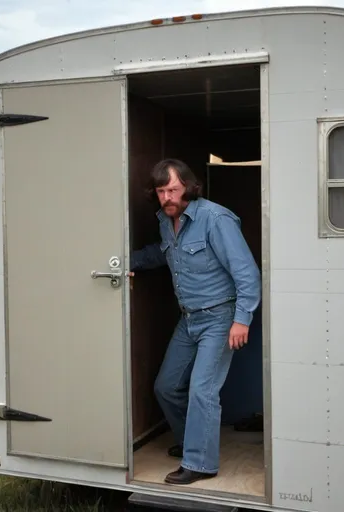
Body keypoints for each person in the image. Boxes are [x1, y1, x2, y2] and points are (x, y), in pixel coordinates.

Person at [130, 158, 261, 486]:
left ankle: (200, 462)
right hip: (189, 319)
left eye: (173, 189)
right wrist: (124, 262)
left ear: (187, 186)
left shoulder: (215, 218)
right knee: (166, 386)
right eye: (161, 191)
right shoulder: (165, 220)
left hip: (221, 317)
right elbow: (163, 254)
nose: (167, 197)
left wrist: (242, 320)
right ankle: (193, 443)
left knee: (203, 390)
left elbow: (247, 272)